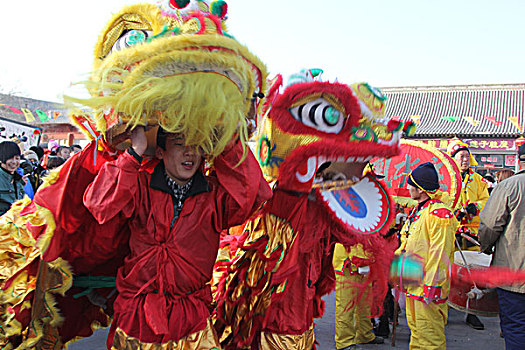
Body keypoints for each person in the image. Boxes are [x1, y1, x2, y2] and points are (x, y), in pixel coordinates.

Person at [83, 126, 271, 348]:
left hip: (192, 319)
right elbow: (99, 204)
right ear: (161, 152)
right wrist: (135, 152)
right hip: (139, 318)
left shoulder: (213, 195)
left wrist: (227, 143)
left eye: (196, 145)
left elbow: (255, 194)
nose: (189, 152)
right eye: (180, 144)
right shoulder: (141, 184)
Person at [396, 162, 457, 349]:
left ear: (421, 189)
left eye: (411, 184)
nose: (408, 187)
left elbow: (441, 254)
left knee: (430, 337)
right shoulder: (418, 210)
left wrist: (432, 285)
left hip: (427, 287)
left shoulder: (440, 214)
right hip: (413, 283)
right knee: (417, 332)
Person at [479, 144, 525, 350]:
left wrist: (486, 247)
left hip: (513, 272)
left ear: (519, 160)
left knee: (515, 327)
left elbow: (489, 225)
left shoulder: (509, 186)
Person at [447, 138, 489, 330]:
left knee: (473, 273)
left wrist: (475, 207)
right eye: (461, 156)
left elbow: (486, 200)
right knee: (448, 271)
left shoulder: (479, 180)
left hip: (471, 233)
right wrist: (452, 212)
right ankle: (444, 309)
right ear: (452, 158)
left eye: (466, 156)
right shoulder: (445, 179)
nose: (465, 160)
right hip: (451, 231)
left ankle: (471, 312)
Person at [333, 243, 384, 349]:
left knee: (365, 303)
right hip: (347, 265)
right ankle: (344, 342)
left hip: (365, 263)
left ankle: (364, 334)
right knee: (346, 306)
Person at [0, 141, 26, 216]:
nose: (14, 162)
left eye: (17, 158)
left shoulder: (18, 180)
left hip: (16, 224)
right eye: (10, 158)